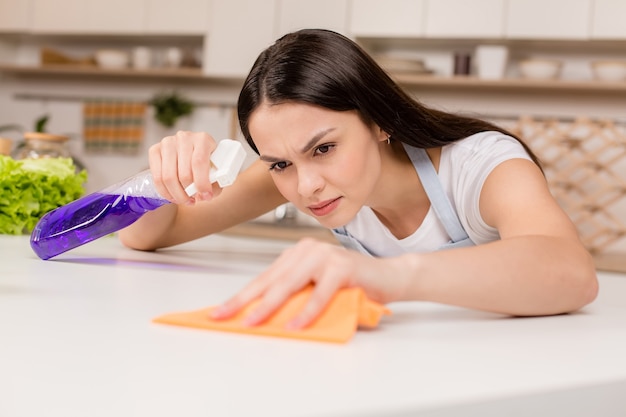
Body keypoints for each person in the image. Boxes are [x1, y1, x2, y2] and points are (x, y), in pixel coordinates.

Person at [119, 29, 598, 330]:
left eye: (324, 148)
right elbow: (147, 235)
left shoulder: (481, 166)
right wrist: (161, 179)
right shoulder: (292, 173)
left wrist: (384, 276)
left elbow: (572, 275)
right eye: (280, 163)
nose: (306, 186)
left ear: (379, 120)